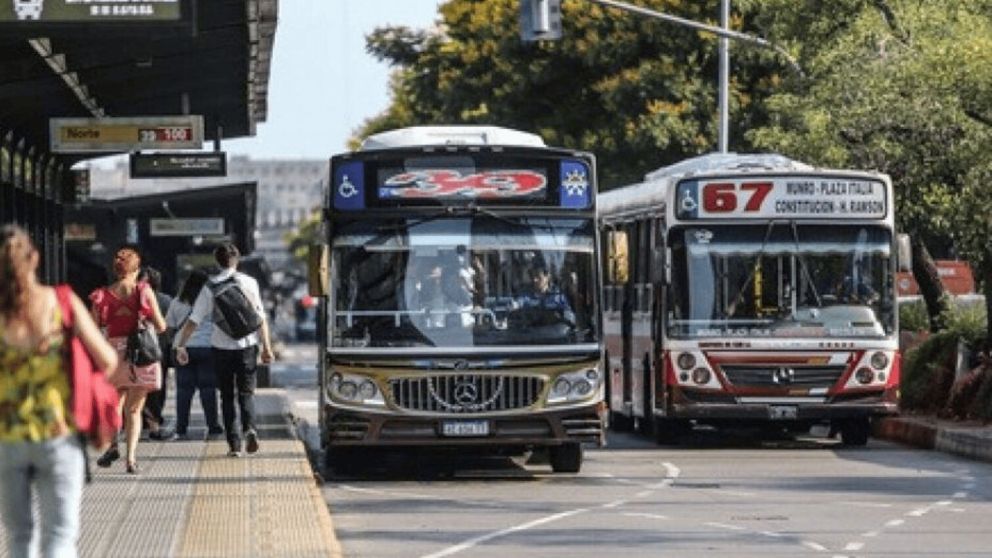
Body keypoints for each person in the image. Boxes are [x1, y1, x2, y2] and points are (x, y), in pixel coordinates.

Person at [0, 225, 118, 558]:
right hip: (58, 435)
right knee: (60, 536)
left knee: (20, 537)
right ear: (34, 258)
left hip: (7, 439)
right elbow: (108, 360)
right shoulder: (61, 302)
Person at [174, 243, 274, 457]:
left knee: (227, 396)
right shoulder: (250, 282)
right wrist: (267, 347)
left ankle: (235, 445)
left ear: (217, 261)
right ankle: (250, 429)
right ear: (236, 260)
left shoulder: (209, 287)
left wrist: (181, 344)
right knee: (247, 393)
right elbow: (260, 318)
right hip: (247, 346)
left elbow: (194, 320)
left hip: (221, 348)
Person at [90, 246, 167, 474]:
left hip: (113, 355)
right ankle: (131, 459)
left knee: (115, 405)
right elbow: (161, 326)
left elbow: (93, 330)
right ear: (136, 269)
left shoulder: (101, 296)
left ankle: (113, 444)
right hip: (140, 354)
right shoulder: (144, 291)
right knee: (134, 410)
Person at [164, 270, 223, 440]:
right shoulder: (211, 301)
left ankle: (181, 428)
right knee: (208, 388)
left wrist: (174, 344)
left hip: (182, 349)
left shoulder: (177, 302)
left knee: (183, 390)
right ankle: (213, 427)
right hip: (206, 348)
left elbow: (168, 328)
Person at [138, 266, 173, 440]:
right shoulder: (167, 300)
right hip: (160, 348)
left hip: (145, 347)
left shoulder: (136, 298)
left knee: (144, 384)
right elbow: (168, 326)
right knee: (158, 385)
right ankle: (154, 419)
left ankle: (149, 418)